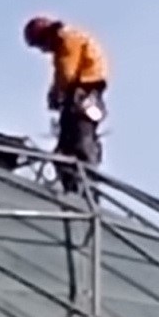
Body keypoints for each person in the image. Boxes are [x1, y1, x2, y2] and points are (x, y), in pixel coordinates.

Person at [22, 16, 109, 192]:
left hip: (81, 92)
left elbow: (66, 74)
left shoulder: (66, 41)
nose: (42, 50)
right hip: (85, 92)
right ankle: (76, 184)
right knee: (68, 147)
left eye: (40, 44)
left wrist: (57, 94)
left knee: (77, 143)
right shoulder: (69, 41)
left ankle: (82, 186)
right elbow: (62, 74)